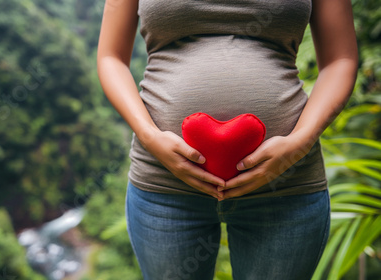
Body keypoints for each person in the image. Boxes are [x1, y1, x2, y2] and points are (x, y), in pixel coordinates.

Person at [97, 0, 358, 279]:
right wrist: (148, 136)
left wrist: (300, 142)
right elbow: (110, 56)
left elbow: (340, 59)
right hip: (165, 185)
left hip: (284, 187)